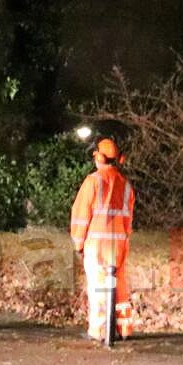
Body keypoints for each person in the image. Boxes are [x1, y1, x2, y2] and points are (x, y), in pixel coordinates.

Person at [69, 137, 135, 341]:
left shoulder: (93, 181)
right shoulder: (125, 185)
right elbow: (129, 218)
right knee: (120, 286)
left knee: (98, 287)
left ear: (98, 157)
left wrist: (78, 244)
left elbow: (80, 215)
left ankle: (99, 331)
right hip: (119, 245)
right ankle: (124, 329)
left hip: (97, 246)